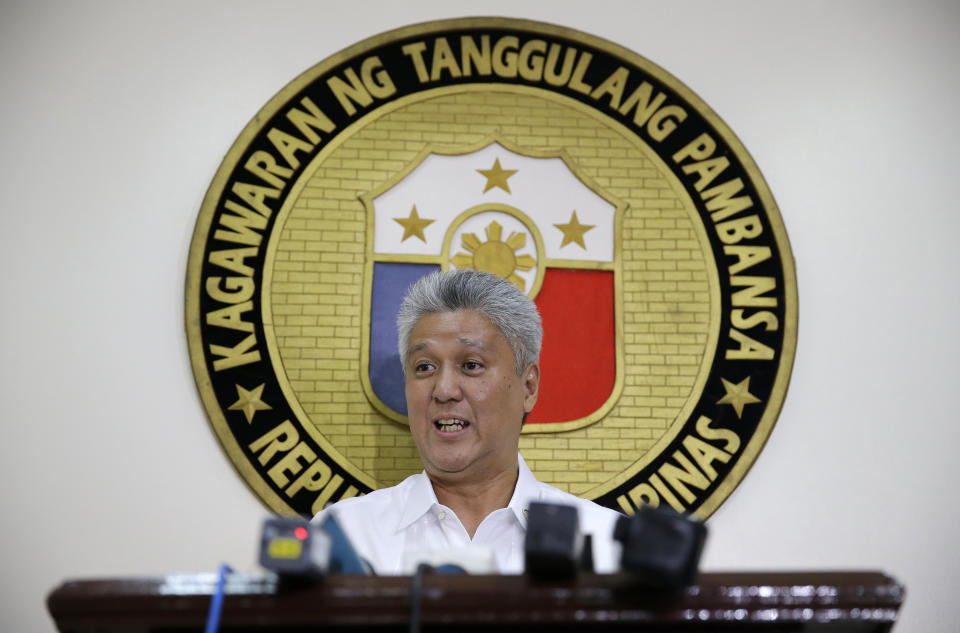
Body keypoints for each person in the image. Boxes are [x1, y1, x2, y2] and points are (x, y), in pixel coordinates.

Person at [312, 269, 622, 574]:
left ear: (528, 387)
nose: (444, 390)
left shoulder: (608, 544)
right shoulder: (346, 539)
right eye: (425, 367)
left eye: (471, 365)